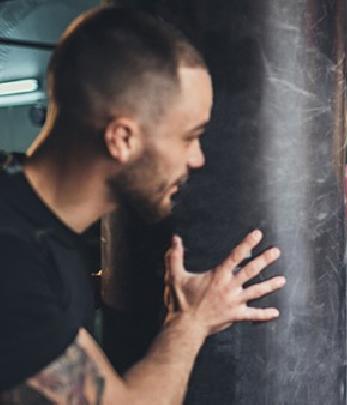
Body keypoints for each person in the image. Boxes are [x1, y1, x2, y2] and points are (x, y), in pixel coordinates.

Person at [0, 6, 286, 404]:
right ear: (122, 140)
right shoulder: (12, 259)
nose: (197, 158)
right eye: (189, 137)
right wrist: (193, 322)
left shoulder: (38, 233)